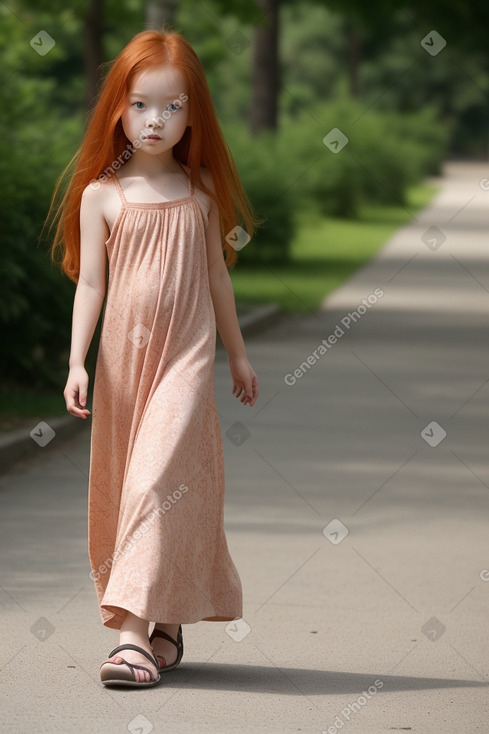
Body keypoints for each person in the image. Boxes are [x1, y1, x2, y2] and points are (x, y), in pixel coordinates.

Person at [45, 26, 261, 688]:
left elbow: (218, 278)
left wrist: (237, 356)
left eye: (172, 106)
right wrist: (76, 361)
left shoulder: (199, 195)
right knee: (137, 487)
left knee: (153, 482)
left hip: (185, 361)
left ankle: (132, 641)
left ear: (193, 113)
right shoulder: (101, 195)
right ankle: (165, 626)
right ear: (117, 106)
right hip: (121, 368)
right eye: (140, 104)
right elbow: (91, 284)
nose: (155, 120)